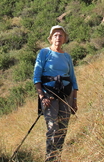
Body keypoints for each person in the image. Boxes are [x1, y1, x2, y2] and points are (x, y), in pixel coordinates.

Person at [33, 25, 78, 162]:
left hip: (66, 94)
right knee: (52, 128)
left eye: (61, 35)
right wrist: (42, 96)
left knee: (63, 128)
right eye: (55, 35)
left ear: (64, 39)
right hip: (49, 95)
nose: (58, 37)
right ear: (51, 38)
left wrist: (74, 101)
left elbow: (73, 79)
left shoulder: (67, 56)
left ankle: (57, 158)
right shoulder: (44, 53)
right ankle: (49, 158)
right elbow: (37, 77)